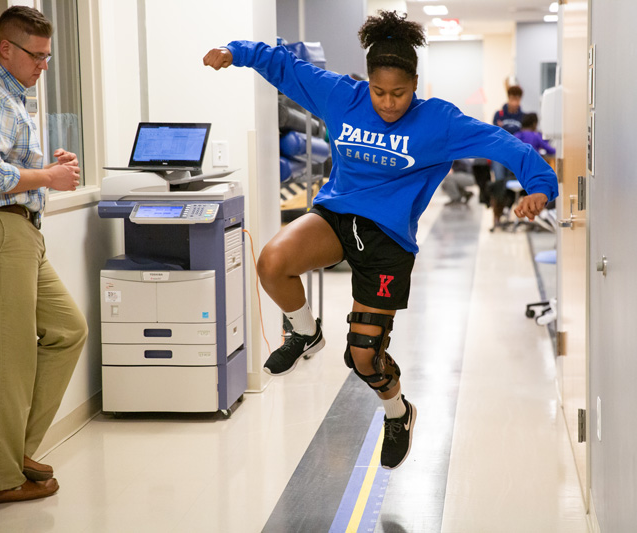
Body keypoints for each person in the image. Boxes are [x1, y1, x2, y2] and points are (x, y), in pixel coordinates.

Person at [203, 10, 557, 470]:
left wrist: (540, 187)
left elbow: (504, 145)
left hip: (388, 239)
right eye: (379, 92)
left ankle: (398, 412)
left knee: (365, 357)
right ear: (366, 82)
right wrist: (236, 53)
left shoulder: (439, 122)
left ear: (415, 84)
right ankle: (306, 332)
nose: (388, 103)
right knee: (272, 261)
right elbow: (285, 67)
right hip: (336, 217)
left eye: (399, 93)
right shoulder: (341, 97)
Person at [0, 6, 87, 505]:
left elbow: (4, 162)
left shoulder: (11, 97)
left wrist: (50, 168)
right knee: (10, 355)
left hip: (18, 231)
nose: (45, 65)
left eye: (49, 56)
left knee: (68, 330)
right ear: (5, 48)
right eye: (37, 55)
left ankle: (5, 449)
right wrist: (46, 179)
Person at [490, 85, 527, 229]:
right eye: (512, 98)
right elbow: (496, 133)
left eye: (517, 99)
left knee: (512, 183)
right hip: (499, 153)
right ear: (509, 97)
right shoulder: (499, 114)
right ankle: (497, 216)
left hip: (515, 154)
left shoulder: (522, 116)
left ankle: (508, 212)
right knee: (499, 182)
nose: (515, 102)